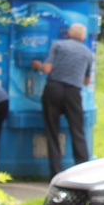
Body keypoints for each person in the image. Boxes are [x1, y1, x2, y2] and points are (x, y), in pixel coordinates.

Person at [31, 22, 94, 176]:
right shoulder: (88, 53)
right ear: (83, 37)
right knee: (77, 131)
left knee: (52, 131)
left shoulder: (58, 45)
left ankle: (56, 173)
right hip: (73, 92)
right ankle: (83, 171)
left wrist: (37, 65)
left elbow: (47, 69)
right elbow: (86, 81)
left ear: (68, 34)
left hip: (54, 89)